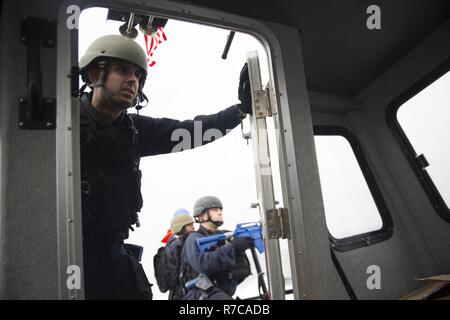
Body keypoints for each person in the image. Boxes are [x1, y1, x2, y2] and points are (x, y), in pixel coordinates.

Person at [78, 35, 252, 300]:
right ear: (94, 75)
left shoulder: (135, 130)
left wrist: (241, 111)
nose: (133, 80)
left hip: (112, 255)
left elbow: (193, 131)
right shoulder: (63, 123)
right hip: (69, 250)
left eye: (138, 74)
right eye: (122, 70)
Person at [181, 196, 254, 300]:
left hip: (222, 293)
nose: (220, 212)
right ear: (202, 215)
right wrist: (232, 247)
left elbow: (239, 272)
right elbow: (203, 265)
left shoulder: (225, 236)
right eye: (215, 210)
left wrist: (240, 248)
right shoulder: (194, 239)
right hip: (202, 295)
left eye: (220, 210)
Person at [165, 209, 196, 300]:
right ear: (181, 227)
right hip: (182, 292)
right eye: (190, 225)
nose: (193, 227)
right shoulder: (178, 245)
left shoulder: (174, 243)